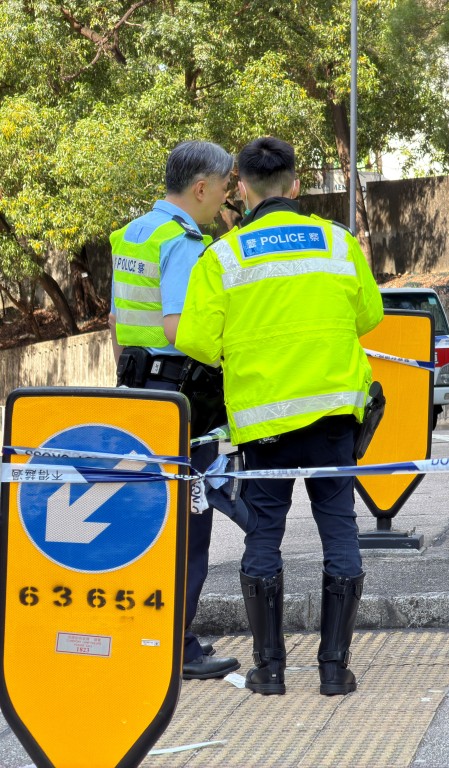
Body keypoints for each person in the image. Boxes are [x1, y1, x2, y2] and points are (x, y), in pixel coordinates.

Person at [172, 136, 384, 697]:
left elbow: (195, 340)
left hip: (264, 424)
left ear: (241, 187)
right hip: (333, 419)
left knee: (264, 535)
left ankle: (269, 672)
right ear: (296, 184)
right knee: (339, 531)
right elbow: (369, 317)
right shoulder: (338, 244)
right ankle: (334, 671)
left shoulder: (224, 256)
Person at [108, 140, 240, 681]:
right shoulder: (184, 242)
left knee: (146, 523)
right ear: (201, 187)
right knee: (190, 526)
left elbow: (117, 322)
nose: (227, 199)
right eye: (225, 188)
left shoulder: (134, 233)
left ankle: (143, 637)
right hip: (182, 398)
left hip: (138, 392)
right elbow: (177, 327)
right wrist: (230, 352)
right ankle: (179, 646)